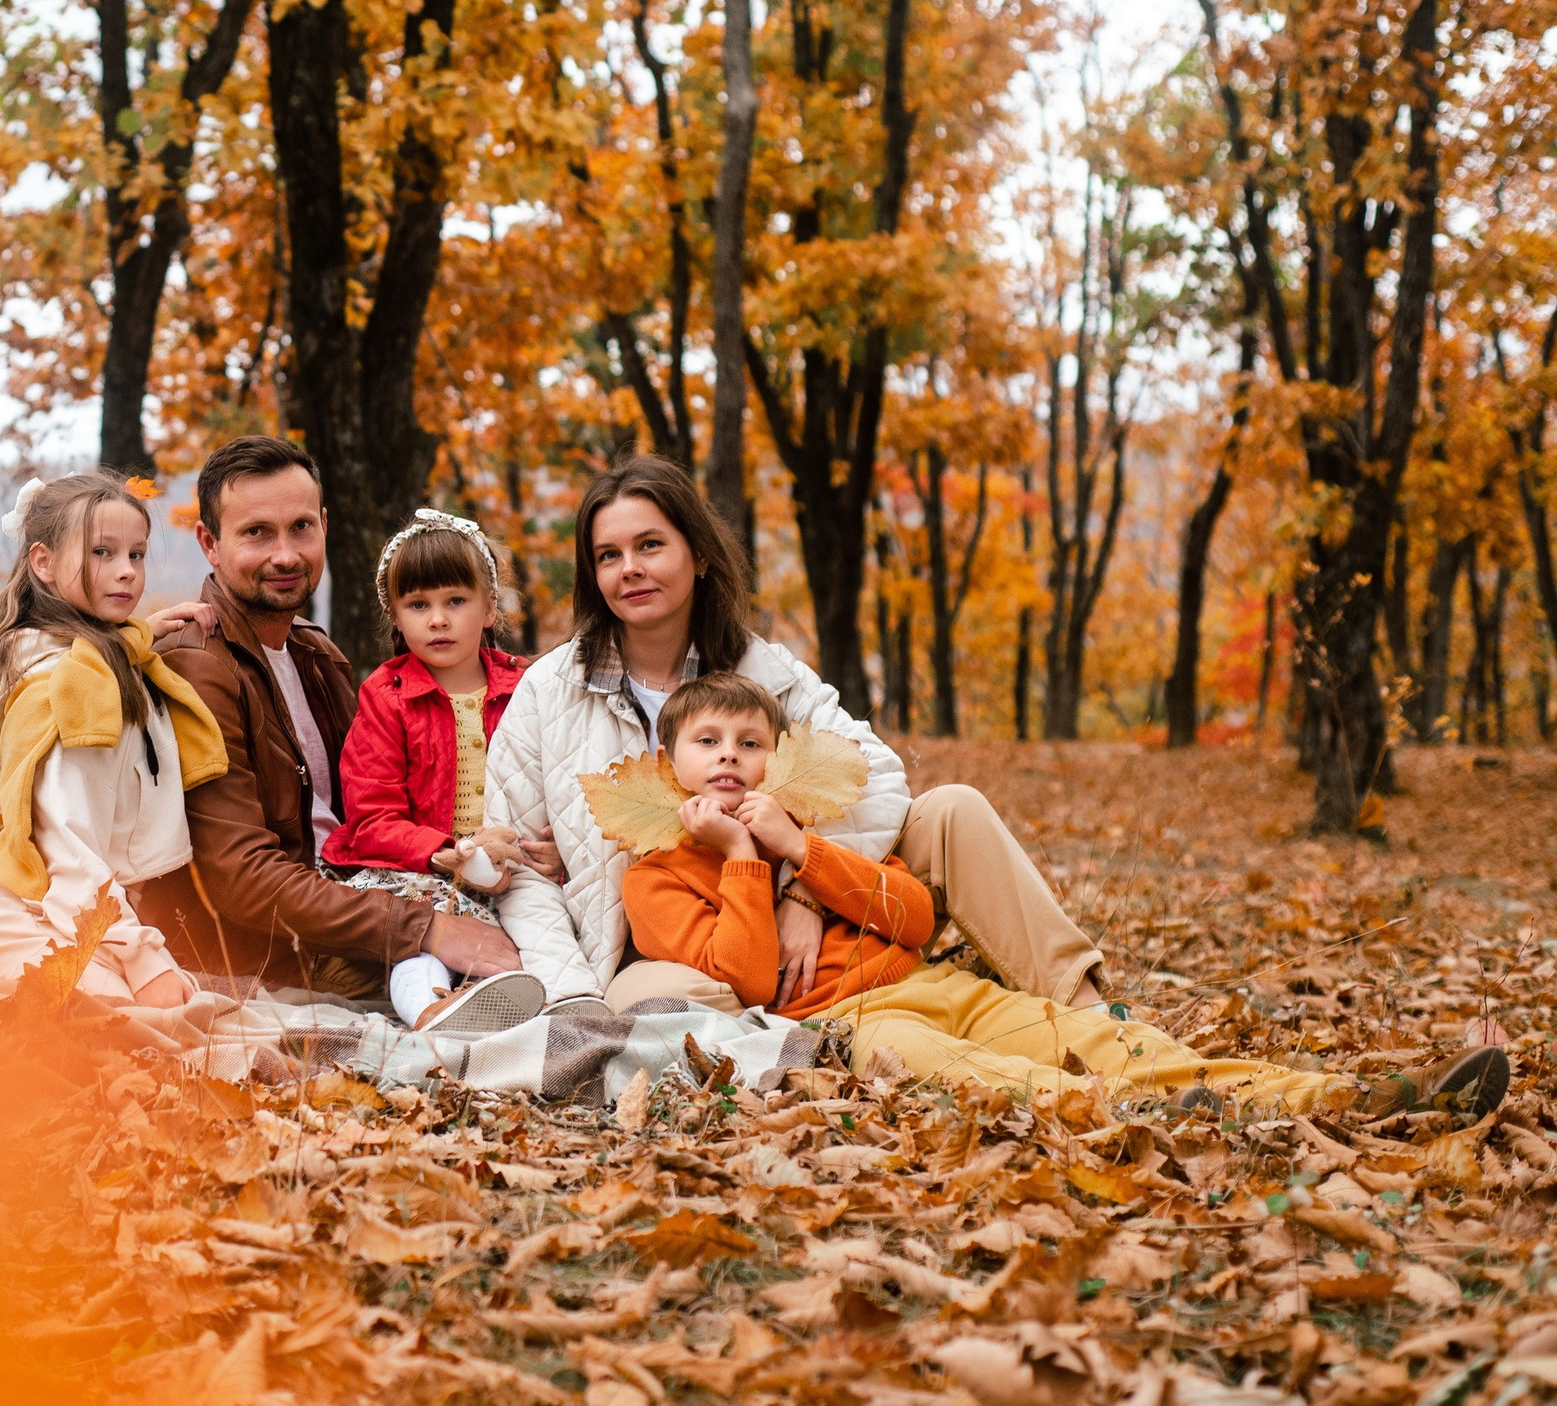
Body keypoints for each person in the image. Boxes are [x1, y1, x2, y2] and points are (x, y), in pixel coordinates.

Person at [622, 671, 1512, 1118]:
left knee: (1085, 1034)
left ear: (779, 759)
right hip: (849, 1025)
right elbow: (742, 981)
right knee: (982, 1076)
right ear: (674, 765)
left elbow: (918, 916)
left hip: (936, 986)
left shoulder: (815, 835)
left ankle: (1351, 1097)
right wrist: (741, 855)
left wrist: (802, 857)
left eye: (750, 741)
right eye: (710, 742)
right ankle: (1145, 1113)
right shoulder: (655, 872)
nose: (732, 757)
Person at [484, 454, 1108, 1015]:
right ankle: (797, 1036)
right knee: (659, 1004)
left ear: (698, 555)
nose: (630, 570)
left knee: (952, 812)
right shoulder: (548, 693)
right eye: (608, 556)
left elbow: (875, 774)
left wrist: (804, 894)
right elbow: (519, 870)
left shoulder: (764, 671)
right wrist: (571, 998)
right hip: (672, 952)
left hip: (813, 913)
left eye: (650, 545)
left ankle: (1082, 1007)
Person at [137, 437, 528, 1001]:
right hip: (281, 954)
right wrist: (424, 929)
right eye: (256, 533)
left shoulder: (317, 656)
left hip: (368, 905)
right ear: (210, 544)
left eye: (300, 528)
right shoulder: (197, 666)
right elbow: (240, 878)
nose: (286, 554)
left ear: (323, 526)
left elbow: (374, 809)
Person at [0, 472, 225, 1008]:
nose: (127, 571)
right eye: (102, 552)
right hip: (39, 925)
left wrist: (144, 631)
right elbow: (70, 851)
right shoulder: (71, 692)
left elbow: (107, 648)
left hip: (91, 920)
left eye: (137, 553)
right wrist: (145, 962)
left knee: (195, 1021)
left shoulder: (100, 659)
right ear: (43, 563)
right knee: (156, 1036)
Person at [326, 510, 550, 1031]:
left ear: (490, 607)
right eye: (418, 605)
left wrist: (550, 843)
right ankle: (430, 1008)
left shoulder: (530, 688)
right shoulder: (387, 696)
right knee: (422, 933)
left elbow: (558, 782)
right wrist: (445, 851)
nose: (438, 620)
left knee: (539, 926)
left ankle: (508, 1000)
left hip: (516, 870)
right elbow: (371, 817)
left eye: (455, 601)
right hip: (420, 870)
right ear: (396, 617)